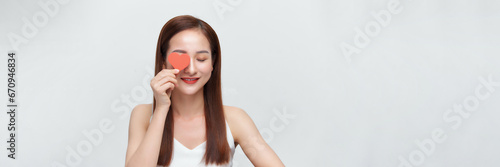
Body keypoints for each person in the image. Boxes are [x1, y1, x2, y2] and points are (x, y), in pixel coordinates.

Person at [125, 15, 285, 167]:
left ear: (212, 63)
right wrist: (161, 109)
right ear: (163, 62)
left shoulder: (234, 119)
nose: (191, 69)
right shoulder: (143, 115)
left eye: (201, 59)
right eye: (181, 58)